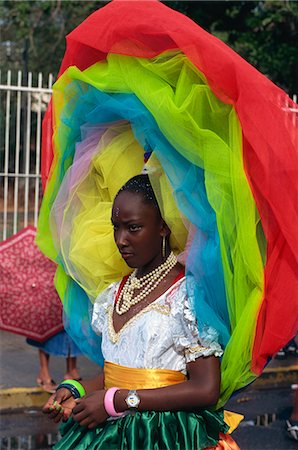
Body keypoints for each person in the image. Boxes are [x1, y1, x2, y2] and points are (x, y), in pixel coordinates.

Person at [43, 174, 239, 450]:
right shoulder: (113, 293)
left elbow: (206, 389)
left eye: (133, 227)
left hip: (164, 437)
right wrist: (77, 389)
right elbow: (124, 373)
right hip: (110, 437)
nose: (121, 240)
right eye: (116, 227)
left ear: (163, 227)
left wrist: (116, 401)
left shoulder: (187, 296)